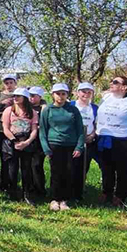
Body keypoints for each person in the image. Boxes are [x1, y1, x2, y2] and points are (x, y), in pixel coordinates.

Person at [39, 83, 85, 212]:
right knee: (56, 172)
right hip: (54, 145)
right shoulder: (47, 109)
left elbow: (80, 129)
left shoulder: (73, 110)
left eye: (63, 94)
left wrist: (79, 147)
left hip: (70, 145)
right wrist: (46, 148)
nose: (60, 96)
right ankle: (54, 199)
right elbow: (42, 130)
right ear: (53, 95)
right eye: (58, 94)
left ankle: (64, 200)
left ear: (67, 95)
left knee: (69, 172)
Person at [95, 75, 127, 207]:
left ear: (124, 87)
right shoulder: (106, 97)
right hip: (104, 138)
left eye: (115, 82)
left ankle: (120, 195)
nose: (111, 83)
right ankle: (106, 192)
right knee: (106, 168)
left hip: (123, 140)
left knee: (122, 169)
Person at [1, 88, 40, 203]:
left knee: (26, 169)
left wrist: (27, 142)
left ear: (25, 98)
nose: (16, 98)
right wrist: (14, 141)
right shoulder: (9, 110)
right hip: (12, 141)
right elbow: (5, 128)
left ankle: (27, 194)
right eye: (15, 96)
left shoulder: (32, 112)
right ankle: (12, 192)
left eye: (19, 96)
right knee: (12, 169)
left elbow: (34, 130)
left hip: (27, 141)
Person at [0, 74, 18, 192]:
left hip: (10, 130)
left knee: (7, 157)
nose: (9, 85)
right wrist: (2, 103)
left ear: (15, 83)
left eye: (11, 82)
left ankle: (5, 183)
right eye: (6, 83)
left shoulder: (18, 95)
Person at [72, 82, 99, 203]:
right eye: (83, 91)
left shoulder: (95, 108)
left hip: (88, 141)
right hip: (72, 141)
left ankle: (79, 192)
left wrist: (92, 135)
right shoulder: (71, 105)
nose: (86, 94)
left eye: (89, 92)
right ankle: (68, 191)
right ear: (78, 93)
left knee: (83, 167)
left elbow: (98, 124)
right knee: (71, 166)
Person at [27, 86, 48, 197]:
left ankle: (40, 189)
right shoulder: (25, 107)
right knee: (27, 165)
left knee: (37, 165)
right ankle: (29, 188)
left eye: (33, 96)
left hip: (39, 140)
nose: (31, 98)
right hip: (27, 138)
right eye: (29, 95)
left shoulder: (44, 109)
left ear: (40, 97)